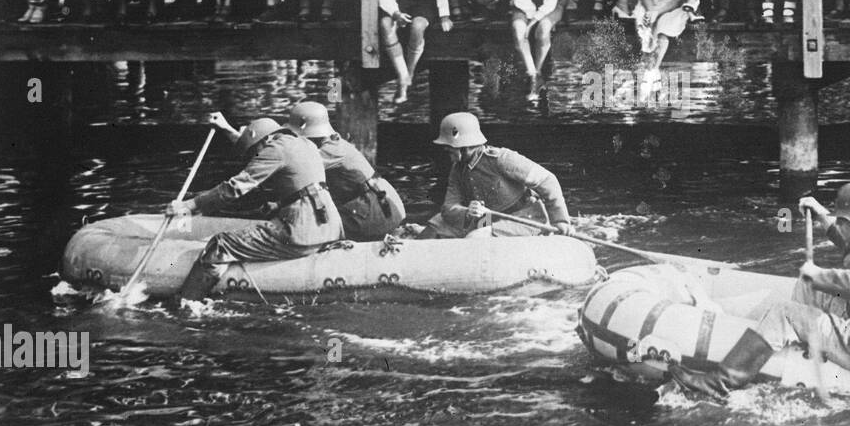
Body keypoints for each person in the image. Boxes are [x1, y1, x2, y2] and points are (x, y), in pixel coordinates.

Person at [668, 181, 850, 400]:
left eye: (844, 221)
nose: (840, 225)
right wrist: (821, 214)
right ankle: (801, 339)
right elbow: (845, 241)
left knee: (783, 312)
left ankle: (720, 383)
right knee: (807, 287)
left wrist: (818, 273)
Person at [169, 114, 344, 303]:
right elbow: (303, 185)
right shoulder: (304, 144)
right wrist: (227, 129)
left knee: (221, 243)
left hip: (302, 232)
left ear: (266, 140)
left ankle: (187, 303)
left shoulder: (274, 148)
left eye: (255, 152)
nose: (255, 158)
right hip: (332, 228)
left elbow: (235, 188)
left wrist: (190, 205)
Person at [424, 112, 573, 238]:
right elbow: (448, 207)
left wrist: (560, 221)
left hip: (523, 218)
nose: (446, 152)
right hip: (487, 219)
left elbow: (547, 180)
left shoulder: (501, 159)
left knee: (477, 237)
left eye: (450, 149)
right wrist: (467, 212)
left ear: (465, 147)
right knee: (434, 225)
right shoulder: (457, 169)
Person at [286, 101, 405, 240]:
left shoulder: (330, 151)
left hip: (376, 210)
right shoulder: (334, 143)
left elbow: (297, 168)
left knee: (310, 227)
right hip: (383, 206)